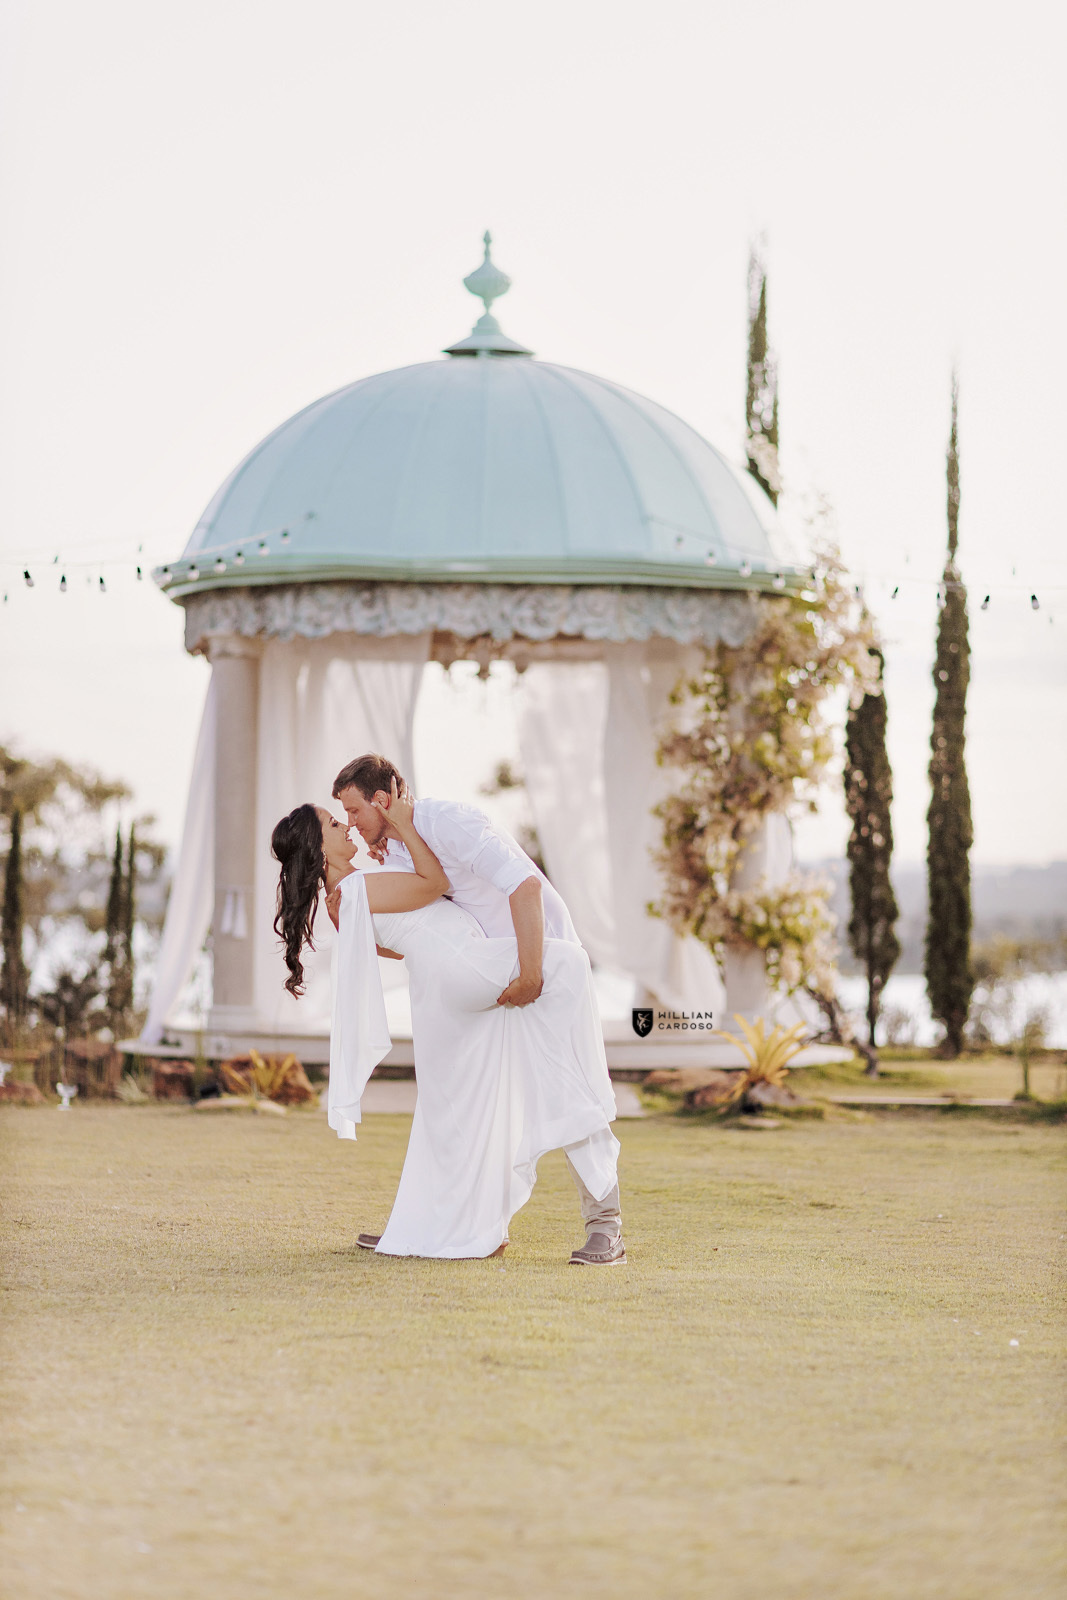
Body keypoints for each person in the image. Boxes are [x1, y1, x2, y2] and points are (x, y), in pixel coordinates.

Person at [271, 782, 624, 1264]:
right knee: (567, 967)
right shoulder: (357, 887)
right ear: (317, 847)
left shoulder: (345, 898)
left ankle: (431, 1227)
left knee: (454, 1116)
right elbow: (433, 884)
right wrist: (406, 827)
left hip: (444, 988)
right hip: (468, 968)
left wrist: (428, 932)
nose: (345, 823)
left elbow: (393, 945)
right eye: (334, 823)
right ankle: (604, 1219)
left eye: (346, 813)